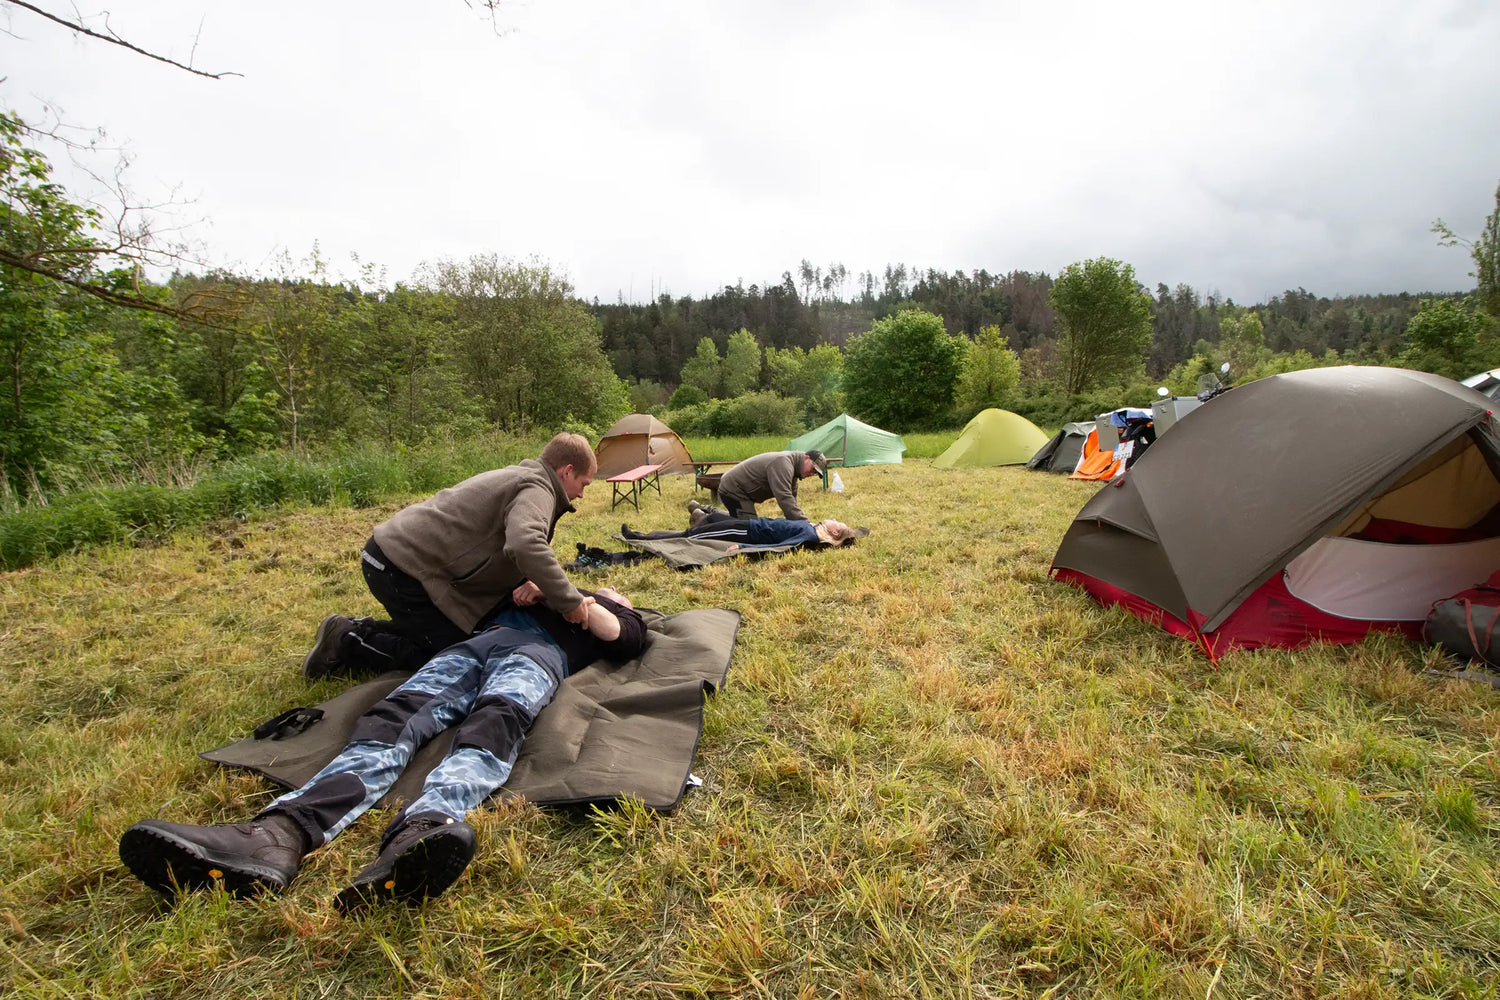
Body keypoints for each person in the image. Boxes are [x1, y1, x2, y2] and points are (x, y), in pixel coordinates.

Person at [119, 587, 647, 912]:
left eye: (619, 591)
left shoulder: (617, 616)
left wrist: (587, 603)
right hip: (474, 646)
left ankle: (422, 830)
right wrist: (533, 588)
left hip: (537, 658)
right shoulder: (539, 585)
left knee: (496, 721)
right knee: (395, 717)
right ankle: (280, 834)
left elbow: (624, 639)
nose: (611, 587)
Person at [302, 433, 597, 680]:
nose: (582, 495)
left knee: (455, 635)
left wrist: (536, 582)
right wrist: (569, 601)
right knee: (454, 659)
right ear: (566, 471)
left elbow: (509, 544)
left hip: (403, 561)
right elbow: (524, 543)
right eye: (584, 484)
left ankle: (355, 628)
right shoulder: (538, 489)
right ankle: (349, 642)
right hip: (399, 567)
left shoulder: (526, 478)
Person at [622, 510, 865, 551]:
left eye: (837, 523)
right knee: (711, 518)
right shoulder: (813, 526)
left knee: (692, 536)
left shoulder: (811, 535)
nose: (833, 519)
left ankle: (641, 538)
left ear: (834, 534)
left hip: (746, 533)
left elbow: (780, 547)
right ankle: (700, 518)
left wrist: (745, 547)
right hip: (747, 523)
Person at [714, 449, 827, 520]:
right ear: (806, 458)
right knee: (749, 528)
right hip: (733, 489)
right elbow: (784, 497)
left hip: (744, 493)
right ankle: (705, 518)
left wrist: (797, 523)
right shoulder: (784, 463)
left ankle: (707, 512)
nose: (811, 474)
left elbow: (792, 503)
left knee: (744, 520)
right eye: (813, 469)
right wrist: (805, 524)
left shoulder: (794, 472)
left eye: (815, 473)